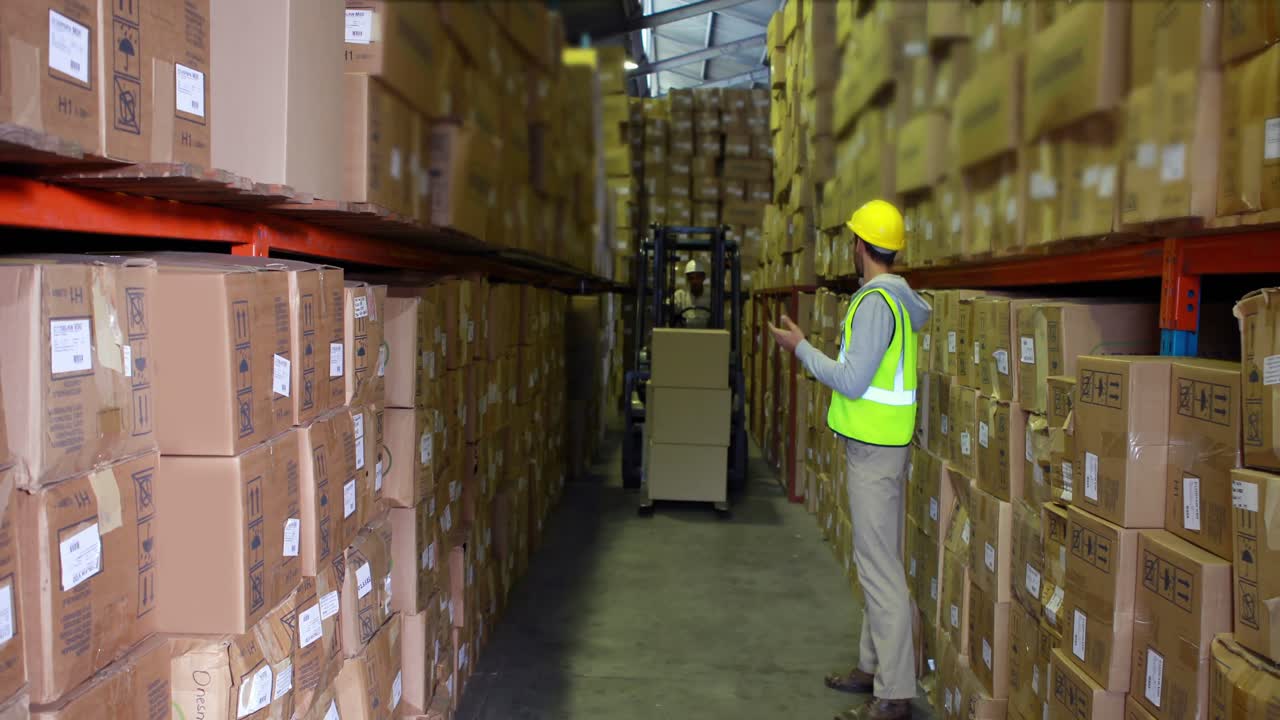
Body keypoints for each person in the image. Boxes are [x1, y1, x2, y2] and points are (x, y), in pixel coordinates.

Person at [768, 199, 931, 720]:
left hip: (875, 452)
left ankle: (893, 694)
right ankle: (871, 666)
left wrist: (801, 348)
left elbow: (852, 380)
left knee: (880, 570)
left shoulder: (876, 304)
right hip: (883, 447)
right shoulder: (897, 301)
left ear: (859, 246)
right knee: (875, 560)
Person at [673, 258, 712, 328]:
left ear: (703, 278)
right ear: (687, 279)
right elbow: (672, 314)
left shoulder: (711, 296)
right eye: (691, 278)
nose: (695, 281)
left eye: (698, 277)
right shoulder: (680, 295)